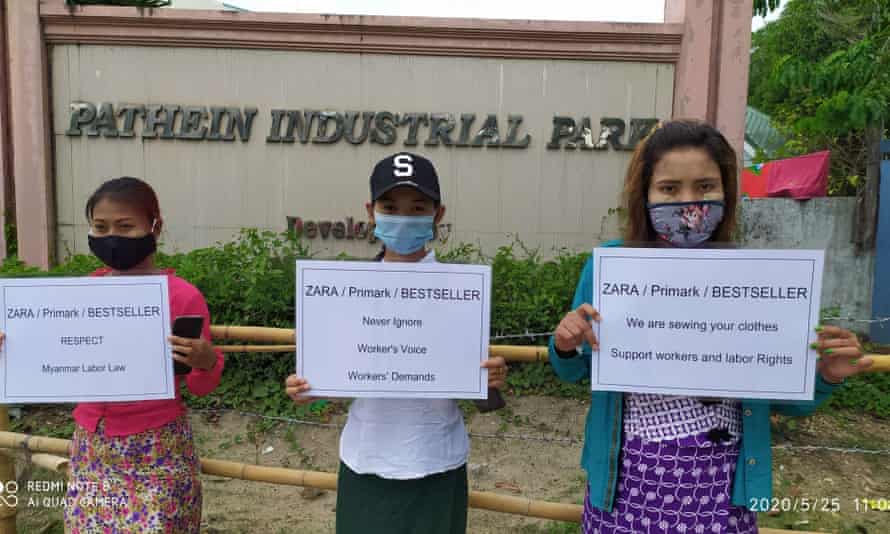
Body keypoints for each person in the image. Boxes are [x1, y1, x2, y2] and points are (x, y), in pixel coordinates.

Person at [549, 120, 871, 534]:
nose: (689, 202)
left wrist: (824, 377)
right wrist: (565, 342)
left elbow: (786, 398)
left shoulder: (754, 278)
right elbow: (571, 370)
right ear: (644, 195)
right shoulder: (611, 266)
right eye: (669, 188)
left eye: (704, 187)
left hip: (722, 487)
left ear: (726, 192)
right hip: (628, 483)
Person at [285, 152, 508, 534]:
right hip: (365, 462)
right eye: (391, 207)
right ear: (371, 212)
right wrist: (308, 388)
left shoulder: (462, 292)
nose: (403, 218)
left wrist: (492, 379)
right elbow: (333, 378)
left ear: (438, 215)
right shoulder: (344, 294)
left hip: (437, 465)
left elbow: (485, 399)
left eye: (417, 208)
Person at [0, 177, 224, 533]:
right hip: (90, 446)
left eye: (125, 226)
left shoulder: (182, 297)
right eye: (100, 227)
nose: (111, 237)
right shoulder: (84, 293)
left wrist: (207, 361)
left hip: (156, 449)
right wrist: (11, 346)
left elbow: (200, 386)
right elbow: (52, 354)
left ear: (155, 227)